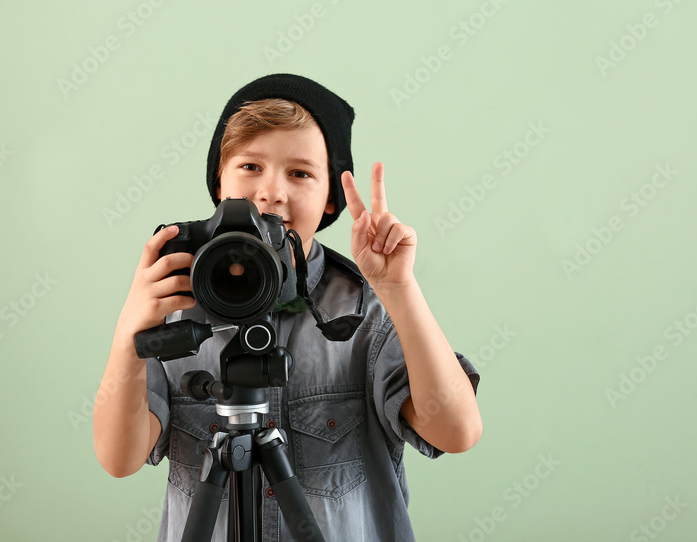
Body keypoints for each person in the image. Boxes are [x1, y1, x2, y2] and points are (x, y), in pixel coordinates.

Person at [93, 73, 482, 541]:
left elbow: (456, 432)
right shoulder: (176, 300)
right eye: (250, 166)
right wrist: (128, 336)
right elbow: (118, 459)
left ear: (331, 201)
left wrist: (398, 288)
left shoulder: (361, 310)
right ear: (219, 181)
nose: (271, 192)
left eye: (300, 173)